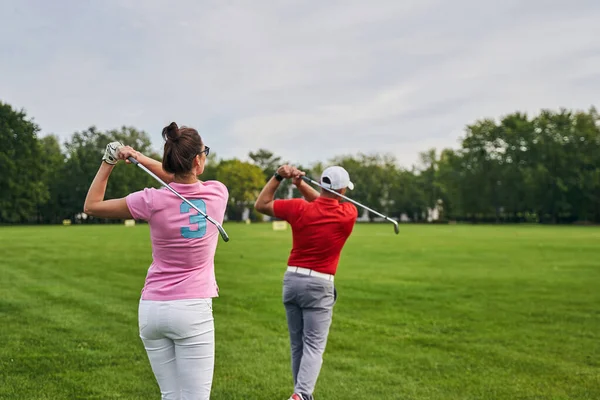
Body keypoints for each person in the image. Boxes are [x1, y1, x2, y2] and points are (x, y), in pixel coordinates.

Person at [83, 122, 228, 400]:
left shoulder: (150, 199)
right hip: (192, 309)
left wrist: (110, 161)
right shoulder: (217, 193)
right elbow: (178, 176)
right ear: (198, 160)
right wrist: (138, 156)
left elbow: (92, 206)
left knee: (170, 396)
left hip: (152, 309)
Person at [254, 165, 358, 400]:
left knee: (297, 345)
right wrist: (302, 186)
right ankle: (301, 394)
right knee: (313, 346)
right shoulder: (348, 213)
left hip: (292, 281)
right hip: (320, 285)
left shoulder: (299, 208)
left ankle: (299, 395)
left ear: (321, 185)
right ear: (342, 189)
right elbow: (327, 203)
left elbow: (261, 205)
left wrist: (279, 177)